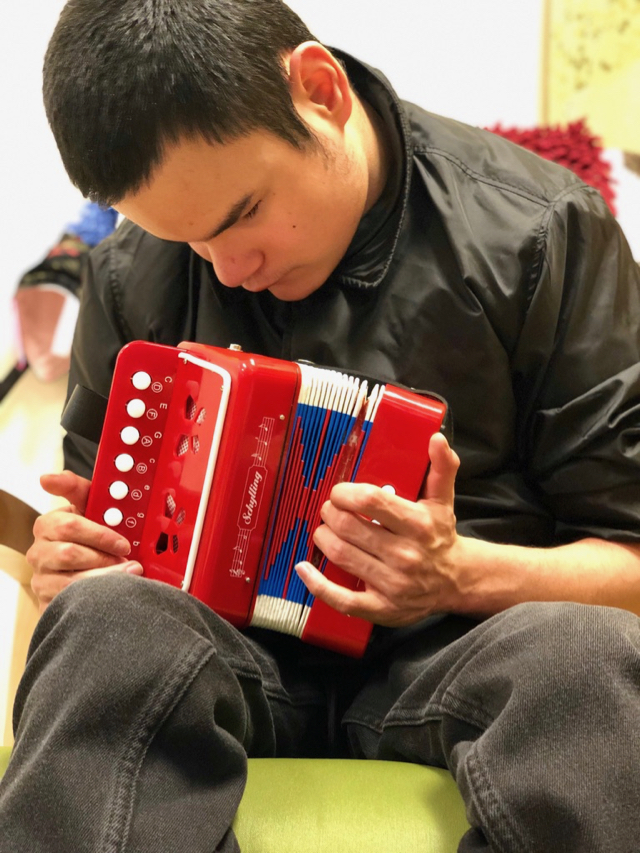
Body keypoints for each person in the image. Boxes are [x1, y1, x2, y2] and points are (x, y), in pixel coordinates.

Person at [2, 1, 640, 850]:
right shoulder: (127, 275)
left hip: (468, 656)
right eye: (187, 241)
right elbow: (103, 570)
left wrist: (457, 574)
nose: (231, 267)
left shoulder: (538, 229)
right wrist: (71, 566)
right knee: (106, 623)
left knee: (583, 657)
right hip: (226, 666)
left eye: (240, 216)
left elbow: (630, 559)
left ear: (320, 90)